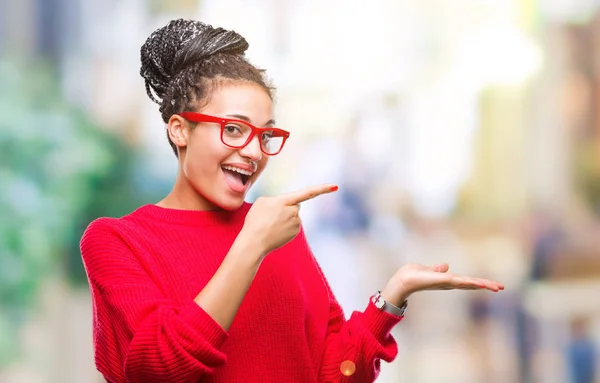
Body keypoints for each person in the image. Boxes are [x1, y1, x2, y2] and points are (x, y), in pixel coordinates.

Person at [80, 19, 504, 383]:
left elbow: (332, 371)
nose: (253, 151)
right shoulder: (117, 241)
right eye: (233, 129)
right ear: (179, 130)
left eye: (266, 135)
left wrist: (392, 296)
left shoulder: (278, 232)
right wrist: (251, 244)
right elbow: (159, 368)